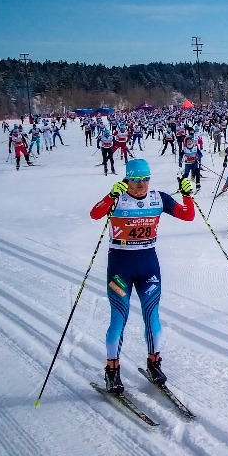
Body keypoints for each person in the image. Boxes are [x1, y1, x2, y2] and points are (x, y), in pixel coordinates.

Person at [90, 158, 195, 394]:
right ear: (127, 179)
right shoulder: (118, 198)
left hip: (149, 267)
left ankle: (154, 363)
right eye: (136, 179)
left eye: (145, 179)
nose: (141, 184)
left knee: (152, 315)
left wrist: (188, 195)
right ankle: (112, 371)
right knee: (119, 318)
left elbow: (187, 216)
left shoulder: (159, 198)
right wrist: (109, 196)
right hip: (120, 268)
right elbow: (95, 214)